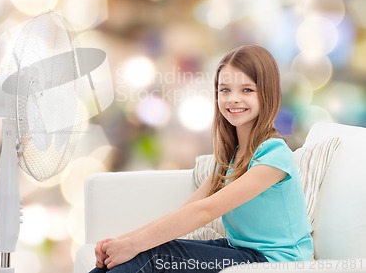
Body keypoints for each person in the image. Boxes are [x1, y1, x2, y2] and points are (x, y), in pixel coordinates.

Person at [89, 45, 313, 272]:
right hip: (241, 252)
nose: (233, 99)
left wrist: (132, 245)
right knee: (135, 256)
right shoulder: (232, 156)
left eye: (246, 90)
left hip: (274, 262)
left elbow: (204, 211)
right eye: (225, 90)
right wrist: (120, 243)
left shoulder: (274, 155)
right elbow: (188, 208)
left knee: (154, 257)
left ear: (267, 93)